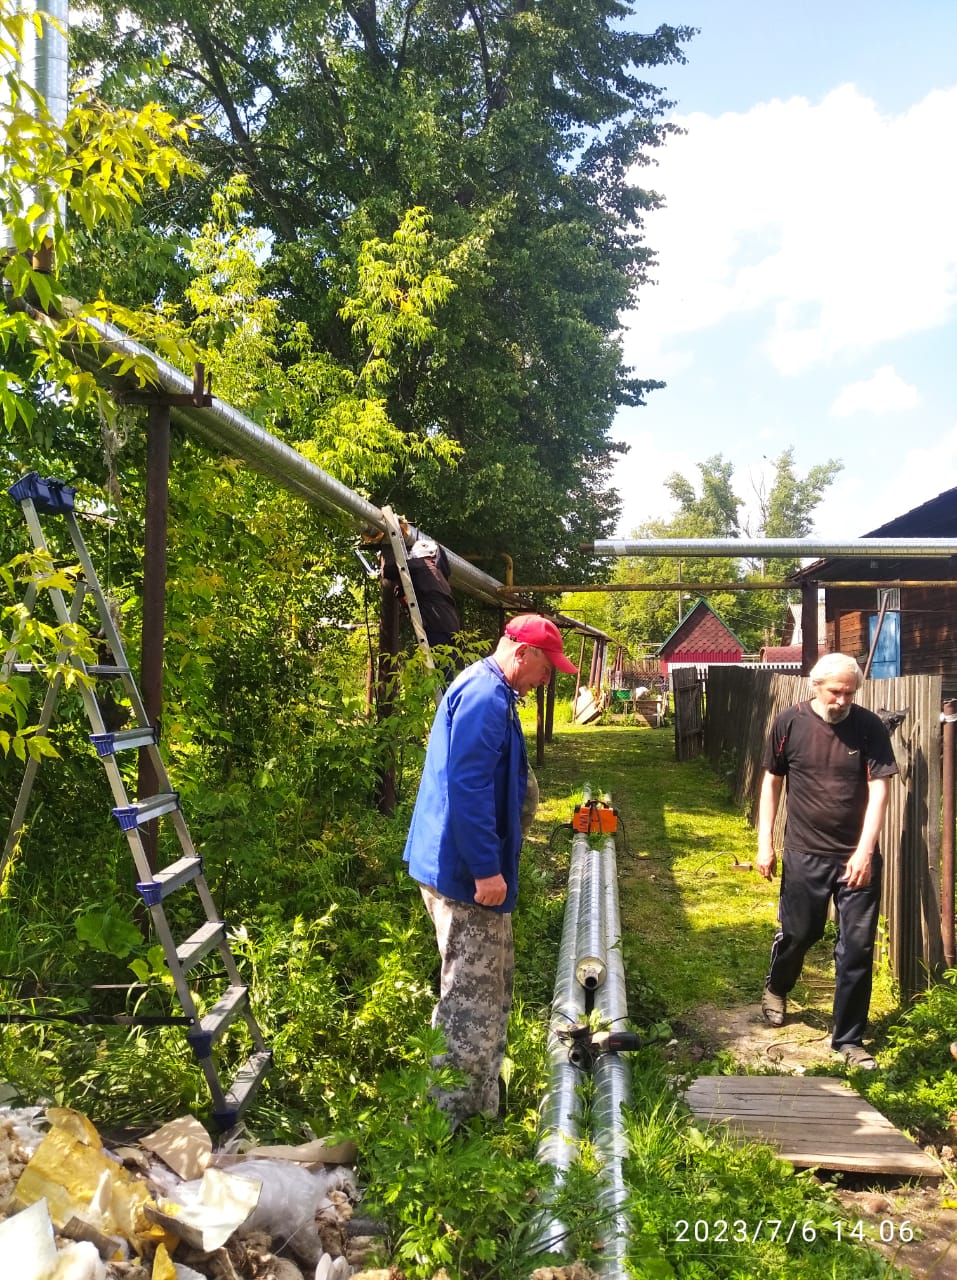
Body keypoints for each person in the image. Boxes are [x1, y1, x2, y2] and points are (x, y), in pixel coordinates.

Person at [404, 613, 577, 1125]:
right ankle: (444, 1131)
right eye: (547, 668)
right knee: (470, 1006)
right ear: (523, 653)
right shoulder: (483, 695)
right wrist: (485, 869)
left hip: (470, 871)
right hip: (464, 876)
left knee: (490, 993)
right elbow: (469, 789)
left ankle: (479, 1112)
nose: (548, 679)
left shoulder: (496, 692)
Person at [756, 653, 899, 1069]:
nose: (843, 700)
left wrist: (865, 851)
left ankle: (849, 1039)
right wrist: (765, 842)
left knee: (856, 947)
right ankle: (777, 988)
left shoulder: (869, 727)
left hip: (856, 857)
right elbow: (772, 782)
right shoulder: (790, 723)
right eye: (836, 691)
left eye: (850, 692)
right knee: (800, 933)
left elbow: (879, 792)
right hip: (804, 851)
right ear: (815, 686)